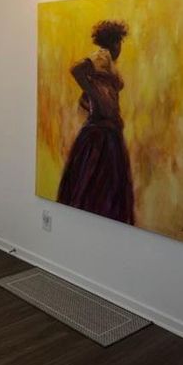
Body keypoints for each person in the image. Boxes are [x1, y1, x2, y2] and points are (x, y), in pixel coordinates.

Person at [57, 20, 134, 224]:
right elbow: (76, 69)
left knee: (98, 187)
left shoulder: (107, 62)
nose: (120, 48)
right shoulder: (102, 56)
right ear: (115, 42)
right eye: (120, 43)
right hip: (100, 134)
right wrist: (94, 95)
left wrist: (95, 94)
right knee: (98, 185)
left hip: (107, 131)